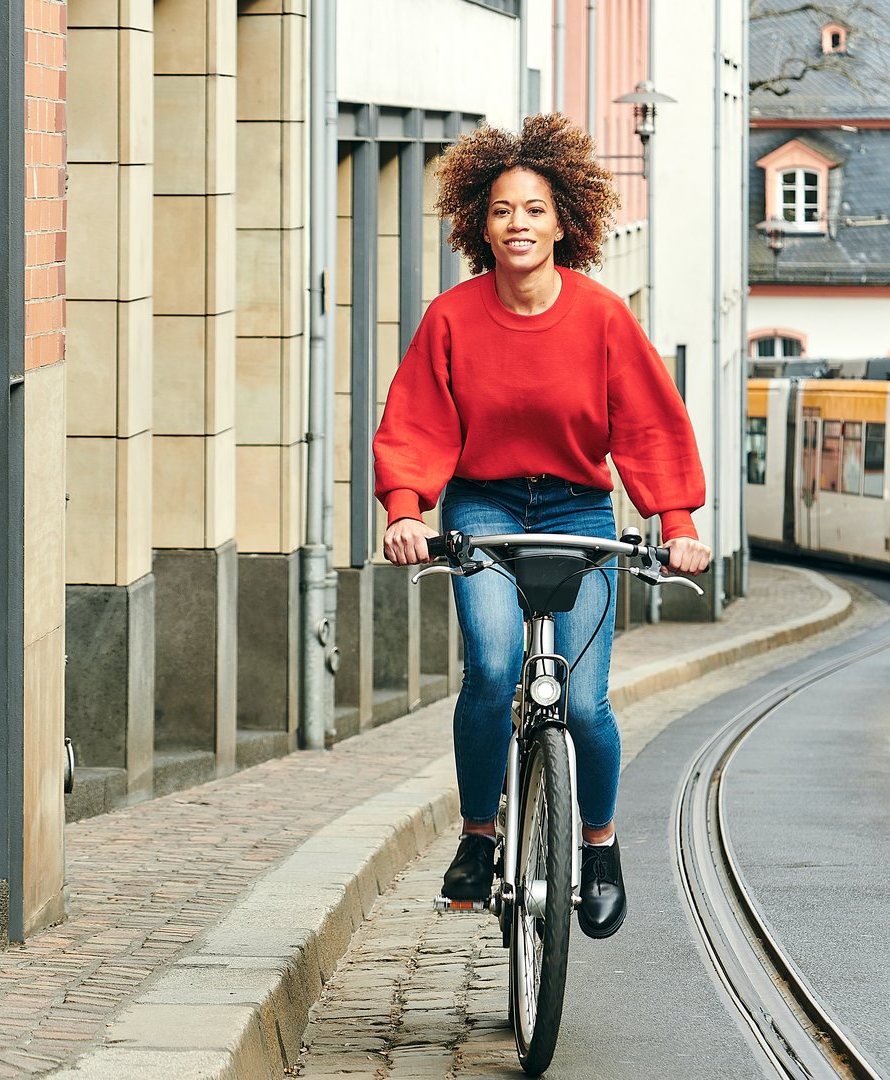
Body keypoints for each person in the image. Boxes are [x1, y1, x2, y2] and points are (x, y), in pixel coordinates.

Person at [372, 114, 710, 939]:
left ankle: (598, 845)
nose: (516, 224)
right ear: (478, 227)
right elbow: (416, 420)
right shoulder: (452, 317)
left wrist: (677, 522)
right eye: (500, 211)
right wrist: (407, 512)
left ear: (564, 222)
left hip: (579, 511)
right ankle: (479, 840)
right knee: (492, 670)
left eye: (532, 209)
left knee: (586, 707)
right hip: (484, 507)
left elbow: (646, 425)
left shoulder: (601, 317)